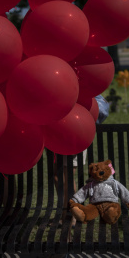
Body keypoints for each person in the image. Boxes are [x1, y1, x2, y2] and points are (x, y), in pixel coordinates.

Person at [53, 95, 110, 229]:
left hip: (75, 126)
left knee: (68, 174)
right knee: (58, 174)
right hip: (58, 126)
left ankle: (72, 215)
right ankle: (65, 211)